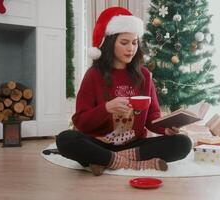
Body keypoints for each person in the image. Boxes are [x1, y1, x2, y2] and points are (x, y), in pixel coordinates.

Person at [56, 7, 192, 176]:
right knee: (65, 139)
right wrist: (106, 108)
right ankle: (132, 163)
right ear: (110, 43)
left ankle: (107, 160)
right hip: (99, 143)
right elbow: (80, 121)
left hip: (134, 144)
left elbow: (152, 117)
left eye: (134, 42)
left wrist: (165, 129)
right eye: (124, 42)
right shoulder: (94, 75)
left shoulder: (144, 75)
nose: (131, 49)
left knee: (183, 143)